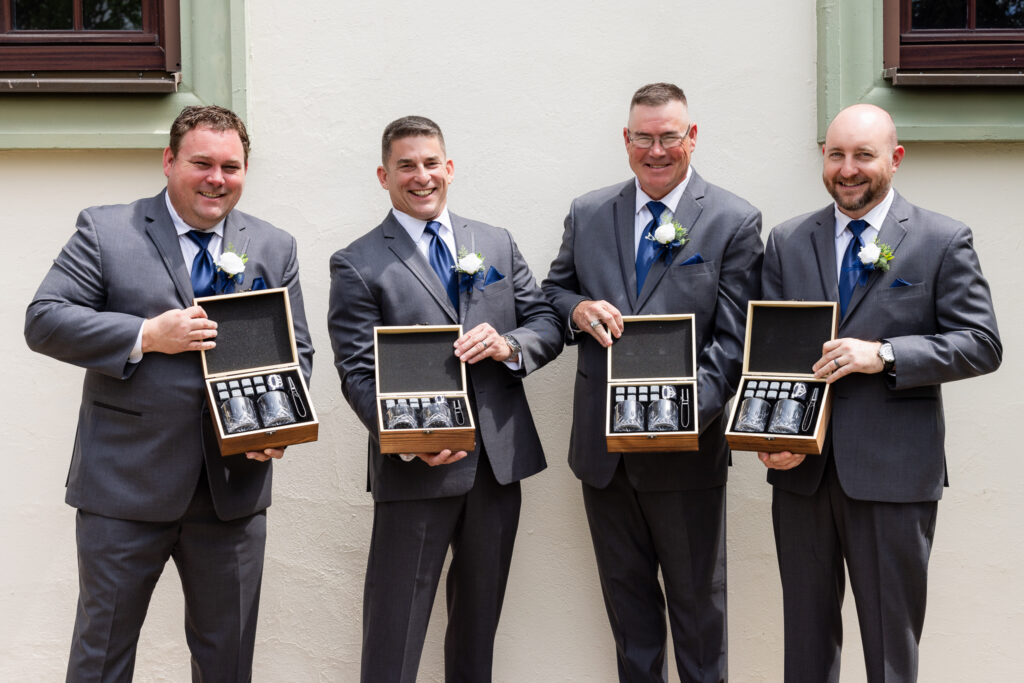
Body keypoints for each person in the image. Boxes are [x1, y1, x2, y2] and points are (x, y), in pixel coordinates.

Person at [25, 105, 314, 682]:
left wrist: (277, 424)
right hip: (124, 490)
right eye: (201, 163)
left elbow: (297, 351)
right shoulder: (107, 230)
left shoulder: (273, 245)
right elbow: (45, 319)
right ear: (168, 161)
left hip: (233, 492)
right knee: (101, 657)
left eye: (231, 167)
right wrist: (145, 335)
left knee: (227, 664)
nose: (216, 178)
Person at [758, 103, 1002, 682]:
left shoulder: (942, 239)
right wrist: (772, 434)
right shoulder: (788, 240)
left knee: (891, 651)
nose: (848, 169)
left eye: (863, 155)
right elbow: (770, 350)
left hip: (893, 477)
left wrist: (885, 354)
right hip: (802, 475)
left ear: (894, 159)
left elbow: (981, 343)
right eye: (837, 154)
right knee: (806, 647)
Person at [328, 115, 562, 682]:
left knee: (478, 631)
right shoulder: (357, 263)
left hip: (497, 469)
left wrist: (509, 344)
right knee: (395, 629)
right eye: (406, 165)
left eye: (431, 162)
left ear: (449, 168)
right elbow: (357, 372)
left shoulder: (495, 241)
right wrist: (407, 441)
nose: (421, 175)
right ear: (384, 176)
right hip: (414, 469)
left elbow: (546, 320)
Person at [543, 83, 763, 682]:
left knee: (699, 619)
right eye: (644, 136)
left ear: (692, 138)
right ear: (626, 140)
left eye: (670, 136)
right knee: (630, 622)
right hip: (603, 456)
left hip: (687, 455)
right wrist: (577, 310)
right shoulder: (589, 213)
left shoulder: (733, 220)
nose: (657, 150)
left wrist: (685, 411)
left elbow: (737, 339)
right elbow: (553, 290)